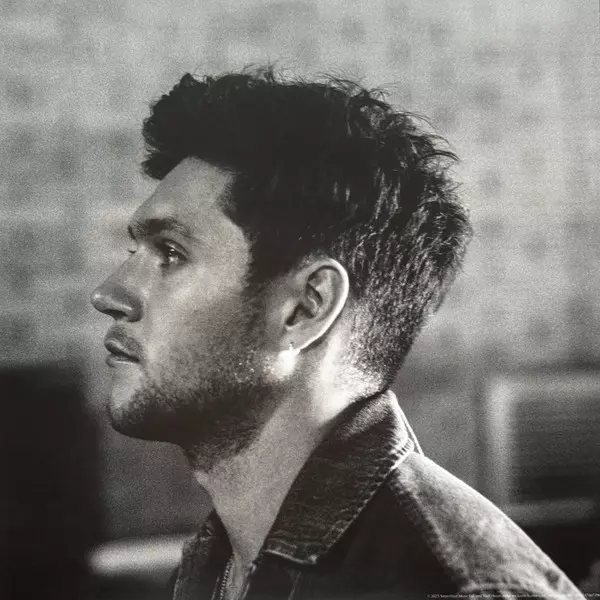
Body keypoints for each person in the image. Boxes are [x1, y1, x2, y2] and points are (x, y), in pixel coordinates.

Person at [91, 68, 584, 600]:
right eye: (134, 251)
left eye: (170, 253)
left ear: (306, 308)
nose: (108, 294)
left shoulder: (451, 589)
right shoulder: (215, 566)